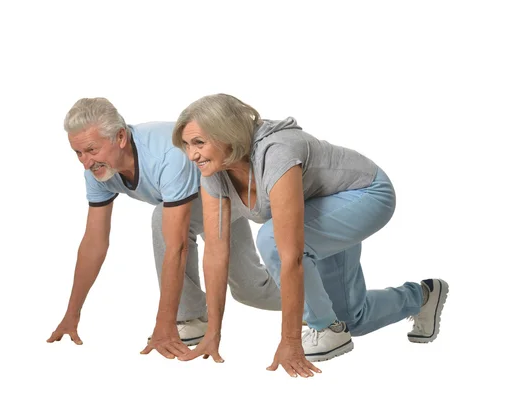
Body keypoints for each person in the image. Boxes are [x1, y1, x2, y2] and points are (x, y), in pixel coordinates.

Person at [172, 93, 449, 378]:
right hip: (320, 207)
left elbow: (290, 254)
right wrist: (212, 333)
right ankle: (423, 296)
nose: (192, 155)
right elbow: (216, 253)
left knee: (272, 240)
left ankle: (323, 326)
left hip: (365, 194)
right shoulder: (214, 174)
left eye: (199, 143)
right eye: (186, 145)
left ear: (226, 134)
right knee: (352, 319)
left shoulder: (276, 152)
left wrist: (291, 340)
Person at [46, 97, 281, 360]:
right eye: (78, 153)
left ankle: (187, 318)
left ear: (120, 137)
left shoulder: (165, 155)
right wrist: (71, 314)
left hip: (239, 185)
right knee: (251, 290)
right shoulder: (97, 172)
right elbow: (94, 244)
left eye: (91, 150)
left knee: (163, 220)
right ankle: (316, 304)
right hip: (206, 194)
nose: (86, 162)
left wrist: (164, 323)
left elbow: (177, 244)